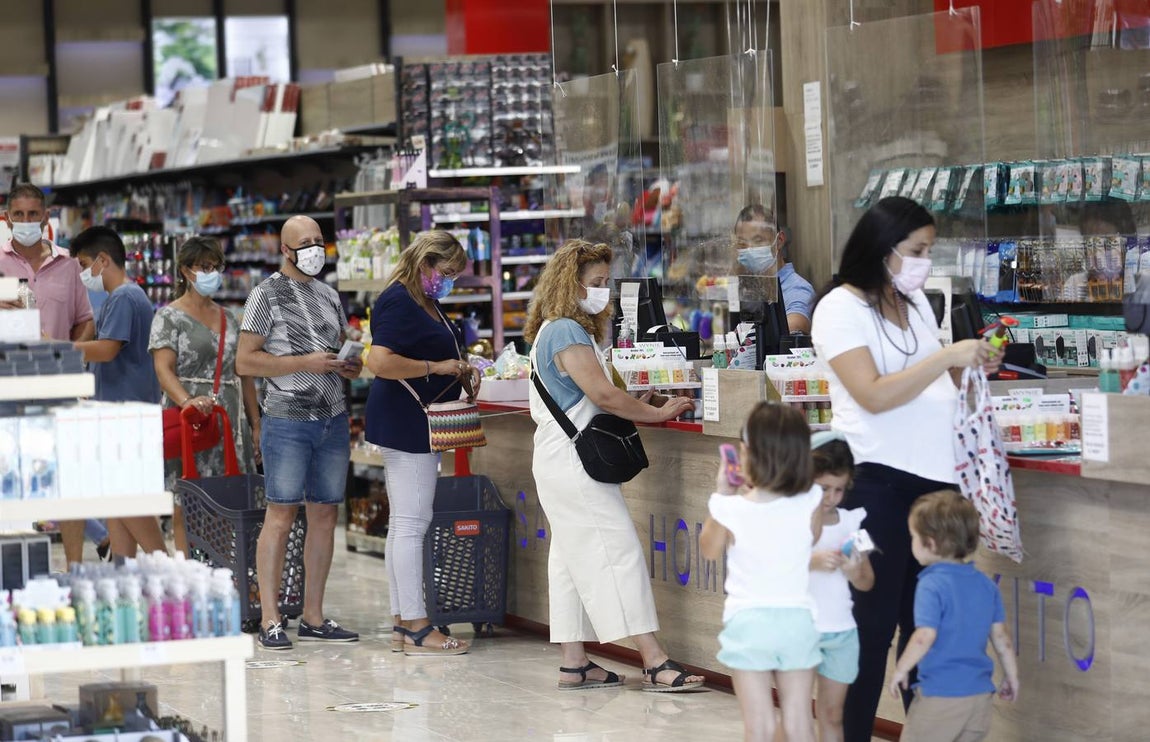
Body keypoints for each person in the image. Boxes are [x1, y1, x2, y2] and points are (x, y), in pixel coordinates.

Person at [809, 196, 1000, 742]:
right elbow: (871, 394)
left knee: (928, 630)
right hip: (880, 485)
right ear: (882, 246)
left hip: (938, 488)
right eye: (916, 250)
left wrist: (968, 369)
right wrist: (944, 357)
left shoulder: (913, 302)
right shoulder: (839, 309)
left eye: (929, 251)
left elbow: (931, 388)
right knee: (870, 631)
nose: (924, 261)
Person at [523, 239, 702, 692]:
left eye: (606, 281)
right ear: (571, 284)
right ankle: (655, 660)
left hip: (558, 458)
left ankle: (575, 663)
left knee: (567, 560)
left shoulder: (553, 329)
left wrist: (638, 403)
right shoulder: (565, 330)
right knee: (616, 551)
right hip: (575, 463)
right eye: (596, 283)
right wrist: (657, 413)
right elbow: (602, 396)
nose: (603, 290)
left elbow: (593, 395)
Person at [237, 215, 361, 651]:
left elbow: (336, 351)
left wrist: (349, 363)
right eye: (304, 243)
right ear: (285, 251)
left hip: (332, 418)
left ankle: (313, 615)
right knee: (281, 514)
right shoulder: (263, 296)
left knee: (325, 513)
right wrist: (302, 363)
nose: (313, 249)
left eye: (318, 241)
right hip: (287, 421)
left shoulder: (328, 294)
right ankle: (271, 618)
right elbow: (245, 362)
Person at [363, 230, 477, 656]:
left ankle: (401, 620)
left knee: (404, 524)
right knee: (413, 523)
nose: (449, 282)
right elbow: (379, 360)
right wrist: (437, 365)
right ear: (425, 262)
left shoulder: (422, 300)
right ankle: (417, 625)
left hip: (409, 419)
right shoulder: (399, 300)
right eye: (446, 273)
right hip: (407, 421)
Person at [700, 401, 823, 741]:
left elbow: (708, 550)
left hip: (749, 623)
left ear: (749, 453)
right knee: (798, 719)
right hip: (798, 621)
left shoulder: (732, 507)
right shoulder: (812, 498)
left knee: (760, 726)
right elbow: (813, 538)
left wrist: (723, 494)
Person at [0, 183, 98, 565]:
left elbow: (84, 322)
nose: (27, 221)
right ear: (7, 218)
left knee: (67, 481)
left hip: (57, 386)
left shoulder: (67, 264)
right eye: (19, 215)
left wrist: (70, 360)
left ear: (45, 217)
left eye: (33, 214)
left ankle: (74, 568)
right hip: (6, 388)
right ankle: (13, 574)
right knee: (11, 482)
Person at [150, 236, 260, 555]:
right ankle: (190, 572)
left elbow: (244, 374)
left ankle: (226, 569)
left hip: (228, 418)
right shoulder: (168, 318)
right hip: (190, 420)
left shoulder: (229, 318)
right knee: (186, 501)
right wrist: (187, 402)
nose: (211, 273)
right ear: (185, 271)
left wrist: (255, 423)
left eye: (216, 267)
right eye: (204, 267)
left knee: (229, 496)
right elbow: (163, 370)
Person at [889, 490, 1019, 742]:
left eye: (913, 537)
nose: (911, 542)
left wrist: (901, 669)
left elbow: (924, 635)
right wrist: (1012, 676)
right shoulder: (985, 584)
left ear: (931, 543)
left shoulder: (930, 584)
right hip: (979, 698)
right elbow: (1002, 638)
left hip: (940, 696)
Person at [72, 226, 166, 559]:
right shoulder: (123, 297)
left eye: (84, 264)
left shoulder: (126, 296)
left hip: (124, 413)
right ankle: (124, 570)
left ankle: (164, 563)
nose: (84, 273)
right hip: (119, 409)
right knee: (117, 500)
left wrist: (63, 349)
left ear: (102, 260)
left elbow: (108, 349)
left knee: (125, 498)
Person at [808, 433, 874, 742]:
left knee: (833, 714)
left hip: (841, 631)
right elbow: (777, 565)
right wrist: (813, 561)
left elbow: (867, 581)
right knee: (795, 712)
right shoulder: (791, 520)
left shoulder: (853, 522)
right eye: (823, 488)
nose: (830, 497)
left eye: (838, 489)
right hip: (800, 628)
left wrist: (854, 568)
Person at [733, 205, 815, 333]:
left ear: (779, 240)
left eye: (758, 240)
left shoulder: (797, 287)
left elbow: (797, 322)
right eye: (742, 243)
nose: (749, 249)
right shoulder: (751, 289)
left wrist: (747, 337)